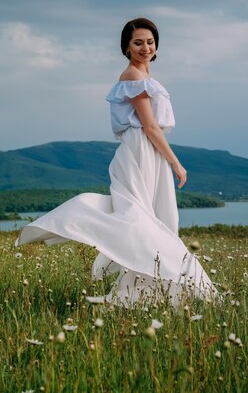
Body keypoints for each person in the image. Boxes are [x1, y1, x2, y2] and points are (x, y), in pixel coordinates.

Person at [16, 18, 217, 307]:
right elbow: (149, 127)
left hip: (149, 153)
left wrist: (165, 159)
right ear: (126, 47)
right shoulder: (133, 77)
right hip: (140, 152)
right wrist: (176, 162)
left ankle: (150, 294)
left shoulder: (144, 78)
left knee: (159, 220)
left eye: (149, 41)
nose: (145, 47)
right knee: (143, 221)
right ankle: (151, 288)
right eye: (138, 42)